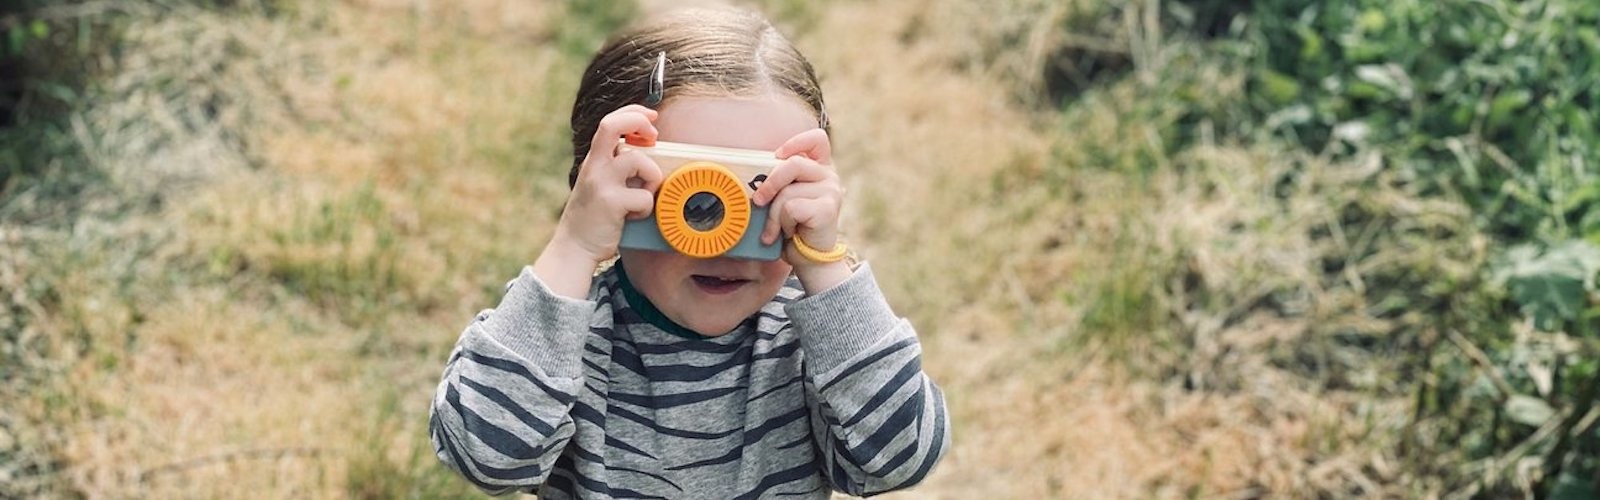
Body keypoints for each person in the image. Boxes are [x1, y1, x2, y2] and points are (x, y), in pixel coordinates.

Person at [429, 6, 949, 498]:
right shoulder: (563, 334)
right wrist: (575, 246)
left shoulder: (814, 344)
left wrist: (823, 263)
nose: (720, 235)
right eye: (692, 196)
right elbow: (483, 455)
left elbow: (901, 457)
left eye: (762, 192)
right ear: (605, 185)